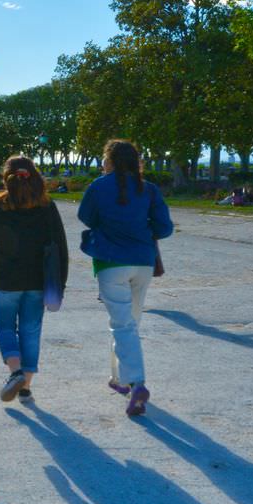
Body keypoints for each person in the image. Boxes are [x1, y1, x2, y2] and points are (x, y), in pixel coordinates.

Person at [77, 138, 174, 417]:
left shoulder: (98, 186)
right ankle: (119, 379)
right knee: (129, 323)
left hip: (110, 261)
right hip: (143, 261)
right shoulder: (149, 189)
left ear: (109, 160)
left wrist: (110, 223)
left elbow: (86, 216)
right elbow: (164, 228)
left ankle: (137, 383)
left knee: (122, 325)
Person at [0, 155, 69, 403]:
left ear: (6, 177)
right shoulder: (47, 206)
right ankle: (25, 388)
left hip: (6, 280)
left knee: (5, 327)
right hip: (38, 281)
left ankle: (14, 371)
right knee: (30, 331)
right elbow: (61, 246)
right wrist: (61, 283)